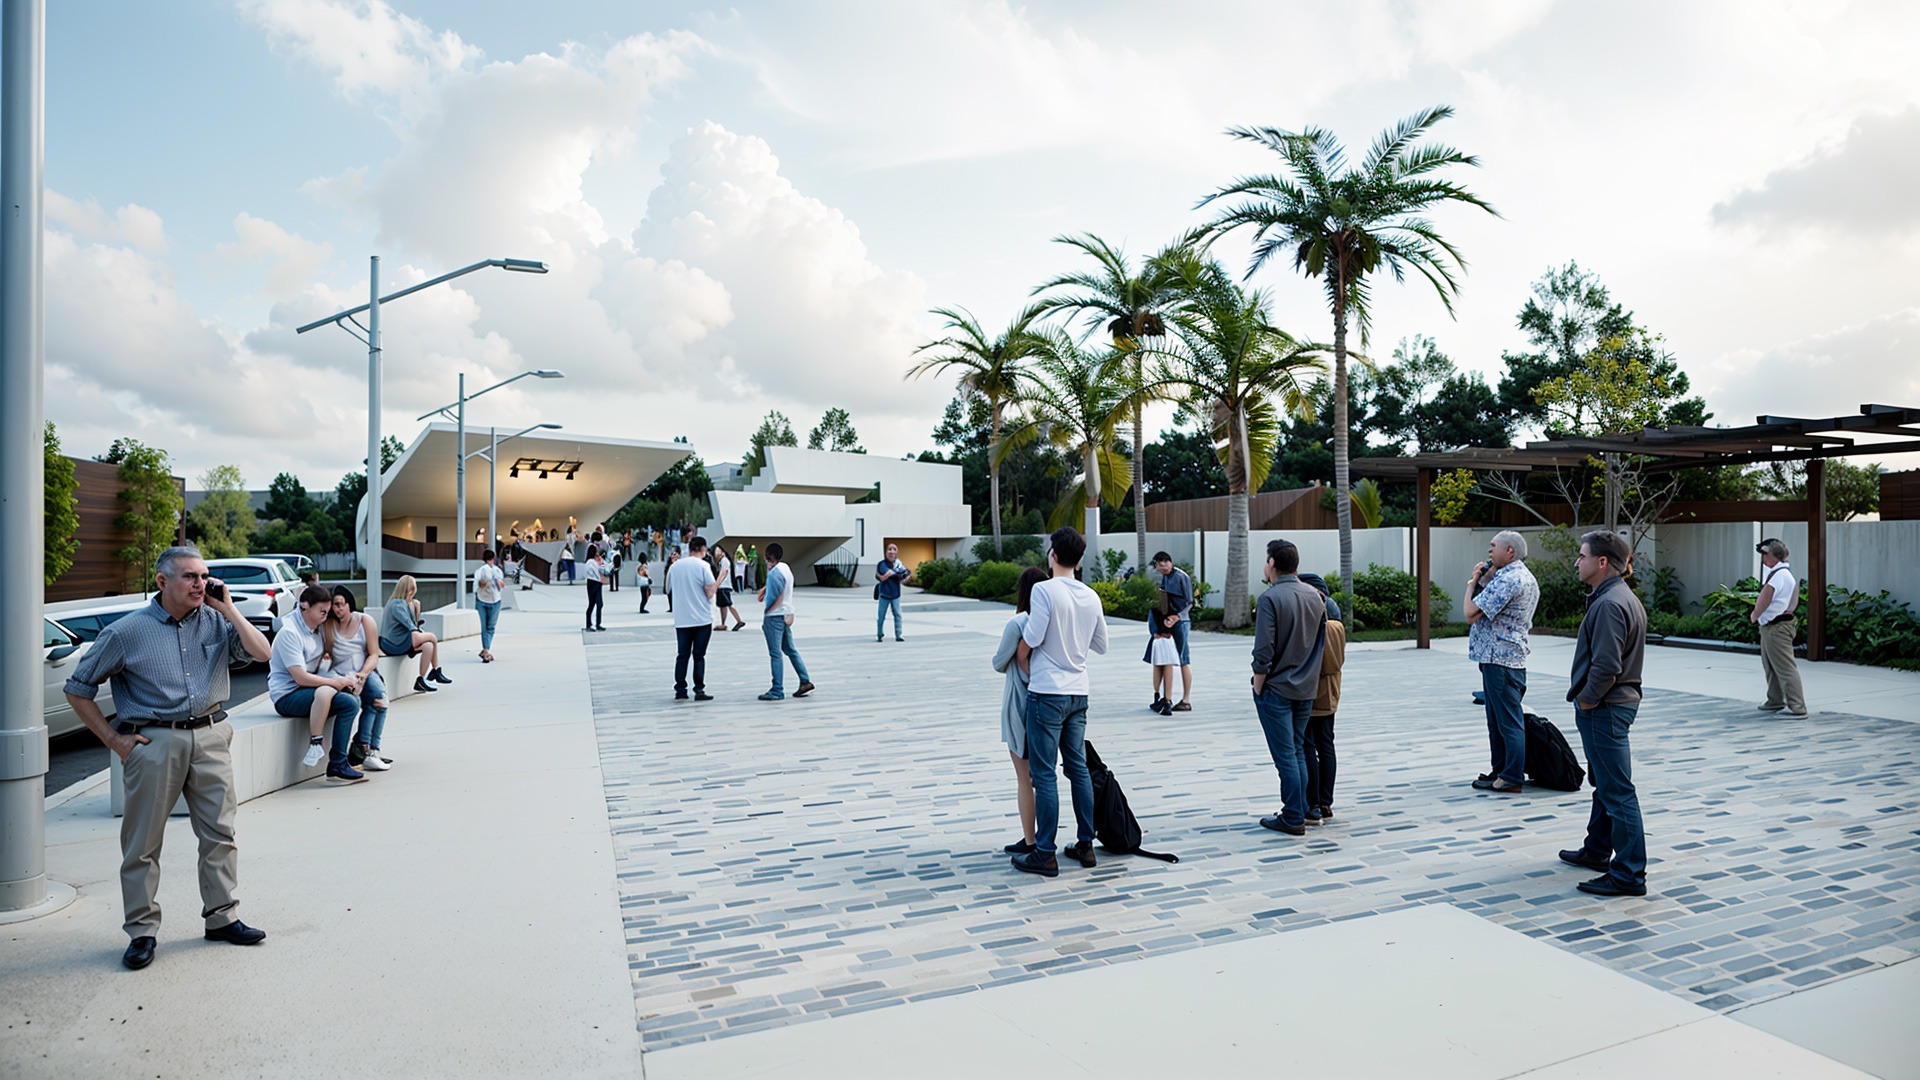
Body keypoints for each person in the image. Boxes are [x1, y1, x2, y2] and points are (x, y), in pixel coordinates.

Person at [63, 545, 273, 970]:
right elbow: (77, 687)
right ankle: (141, 932)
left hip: (211, 735)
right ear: (162, 582)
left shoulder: (216, 620)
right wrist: (114, 740)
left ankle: (222, 917)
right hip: (155, 742)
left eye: (204, 576)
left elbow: (263, 653)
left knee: (220, 834)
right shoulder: (126, 632)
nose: (201, 584)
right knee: (142, 844)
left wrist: (229, 608)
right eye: (190, 577)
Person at [1009, 527, 1108, 877]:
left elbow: (1032, 638)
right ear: (1079, 560)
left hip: (1047, 691)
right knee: (1077, 768)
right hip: (1078, 691)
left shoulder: (1044, 591)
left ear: (1052, 554)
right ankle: (1085, 844)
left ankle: (1045, 852)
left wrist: (1022, 659)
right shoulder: (1090, 595)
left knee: (1044, 774)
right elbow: (1101, 645)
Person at [1560, 530, 1650, 898]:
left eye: (1581, 556)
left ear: (1601, 562)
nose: (1576, 562)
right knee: (1606, 785)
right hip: (1612, 705)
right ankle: (1597, 850)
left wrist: (1587, 700)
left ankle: (1629, 874)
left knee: (1617, 792)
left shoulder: (1610, 604)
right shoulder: (1614, 597)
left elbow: (1607, 666)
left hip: (1607, 707)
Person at [1250, 538, 1327, 837]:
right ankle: (1302, 810)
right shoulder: (1315, 597)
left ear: (1271, 563)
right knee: (1296, 750)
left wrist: (1258, 686)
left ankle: (1292, 815)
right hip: (1307, 688)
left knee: (1286, 756)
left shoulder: (1270, 599)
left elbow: (1263, 651)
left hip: (1277, 688)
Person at [1465, 530, 1541, 794]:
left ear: (1510, 551)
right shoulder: (1512, 577)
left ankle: (1511, 776)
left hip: (1502, 659)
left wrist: (1473, 582)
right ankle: (1500, 770)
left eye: (1493, 546)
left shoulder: (1511, 578)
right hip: (1498, 657)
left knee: (1508, 721)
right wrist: (1486, 579)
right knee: (1498, 720)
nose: (1489, 552)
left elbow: (1471, 612)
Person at [270, 584, 365, 782]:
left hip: (309, 690)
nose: (326, 615)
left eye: (327, 611)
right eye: (322, 611)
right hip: (288, 695)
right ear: (305, 606)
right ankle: (328, 754)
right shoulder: (290, 632)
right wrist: (334, 682)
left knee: (351, 702)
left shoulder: (318, 628)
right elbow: (300, 677)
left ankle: (339, 762)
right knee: (343, 700)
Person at [994, 567, 1052, 856]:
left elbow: (997, 661)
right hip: (1050, 701)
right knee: (1044, 778)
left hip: (1019, 702)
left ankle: (1030, 841)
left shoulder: (1018, 623)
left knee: (1024, 779)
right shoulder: (1051, 620)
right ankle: (1044, 839)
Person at [325, 585, 391, 772]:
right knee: (353, 702)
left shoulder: (364, 621)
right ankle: (362, 748)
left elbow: (373, 654)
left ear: (349, 603)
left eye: (341, 604)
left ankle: (369, 749)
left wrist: (363, 673)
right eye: (334, 605)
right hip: (338, 674)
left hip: (363, 670)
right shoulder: (328, 625)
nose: (338, 609)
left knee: (379, 699)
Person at [1299, 573, 1345, 823]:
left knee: (1307, 744)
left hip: (1307, 687)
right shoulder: (1335, 617)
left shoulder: (1312, 614)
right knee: (1326, 743)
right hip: (1331, 689)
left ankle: (1313, 803)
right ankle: (1326, 802)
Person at [1749, 538, 1808, 717]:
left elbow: (1766, 596)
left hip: (1777, 627)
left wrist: (1755, 614)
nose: (1763, 558)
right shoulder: (1784, 574)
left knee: (1784, 667)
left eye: (1765, 554)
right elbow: (1793, 601)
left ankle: (1798, 707)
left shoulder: (1780, 575)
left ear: (1775, 556)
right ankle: (1775, 700)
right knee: (1771, 666)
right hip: (1774, 626)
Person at [756, 542, 816, 700]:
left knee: (775, 654)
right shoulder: (785, 568)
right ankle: (805, 680)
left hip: (774, 617)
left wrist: (767, 611)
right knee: (790, 650)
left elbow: (776, 596)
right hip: (785, 615)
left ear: (767, 557)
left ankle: (777, 689)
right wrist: (766, 588)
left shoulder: (774, 573)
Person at [380, 575, 451, 694]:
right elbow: (410, 626)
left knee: (428, 646)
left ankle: (421, 680)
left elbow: (413, 626)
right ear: (409, 590)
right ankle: (435, 671)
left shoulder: (400, 603)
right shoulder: (398, 605)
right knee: (432, 637)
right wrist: (413, 610)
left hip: (399, 640)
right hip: (393, 643)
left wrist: (415, 610)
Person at [669, 536, 719, 700]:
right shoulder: (704, 566)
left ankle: (680, 689)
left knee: (682, 655)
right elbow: (710, 592)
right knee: (699, 656)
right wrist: (721, 580)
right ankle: (699, 689)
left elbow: (667, 589)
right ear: (703, 549)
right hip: (701, 618)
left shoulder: (675, 566)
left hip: (682, 618)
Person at [1151, 553, 1195, 712]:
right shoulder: (1165, 578)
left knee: (1184, 658)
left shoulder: (1181, 576)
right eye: (1158, 566)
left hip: (1181, 622)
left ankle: (1186, 699)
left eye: (1163, 564)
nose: (1161, 568)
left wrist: (1177, 617)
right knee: (1167, 658)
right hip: (1169, 622)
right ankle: (1165, 697)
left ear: (1167, 562)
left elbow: (1190, 602)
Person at [1143, 586, 1179, 716]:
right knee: (1168, 667)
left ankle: (1157, 696)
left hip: (1158, 640)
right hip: (1169, 640)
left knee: (1157, 667)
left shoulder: (1154, 609)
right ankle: (1168, 699)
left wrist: (1155, 632)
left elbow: (1152, 625)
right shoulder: (1173, 608)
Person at [474, 548, 505, 662]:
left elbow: (477, 586)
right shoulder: (494, 570)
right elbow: (500, 586)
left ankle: (485, 650)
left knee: (485, 627)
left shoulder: (482, 571)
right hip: (494, 601)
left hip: (482, 601)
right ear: (494, 559)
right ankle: (486, 650)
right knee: (490, 627)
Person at [874, 542, 909, 642]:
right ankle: (879, 634)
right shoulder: (882, 564)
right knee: (881, 616)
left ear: (897, 552)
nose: (892, 552)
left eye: (894, 549)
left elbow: (905, 574)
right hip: (884, 594)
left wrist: (899, 574)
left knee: (898, 615)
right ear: (886, 552)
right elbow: (887, 572)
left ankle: (899, 635)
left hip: (895, 595)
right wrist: (898, 574)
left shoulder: (899, 564)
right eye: (890, 549)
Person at [713, 546, 746, 632]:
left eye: (718, 552)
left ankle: (739, 620)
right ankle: (723, 624)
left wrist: (716, 584)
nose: (716, 555)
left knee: (728, 604)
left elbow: (724, 573)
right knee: (722, 606)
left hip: (724, 586)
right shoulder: (722, 562)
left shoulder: (725, 561)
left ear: (723, 553)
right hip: (723, 586)